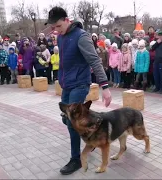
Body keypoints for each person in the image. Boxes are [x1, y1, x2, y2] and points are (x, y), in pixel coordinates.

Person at [44, 6, 111, 175]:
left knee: (72, 122)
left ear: (67, 20)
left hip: (80, 85)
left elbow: (95, 61)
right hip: (66, 85)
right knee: (68, 120)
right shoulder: (61, 38)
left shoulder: (81, 37)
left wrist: (105, 87)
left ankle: (76, 159)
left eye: (58, 26)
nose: (56, 30)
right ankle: (93, 135)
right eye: (53, 28)